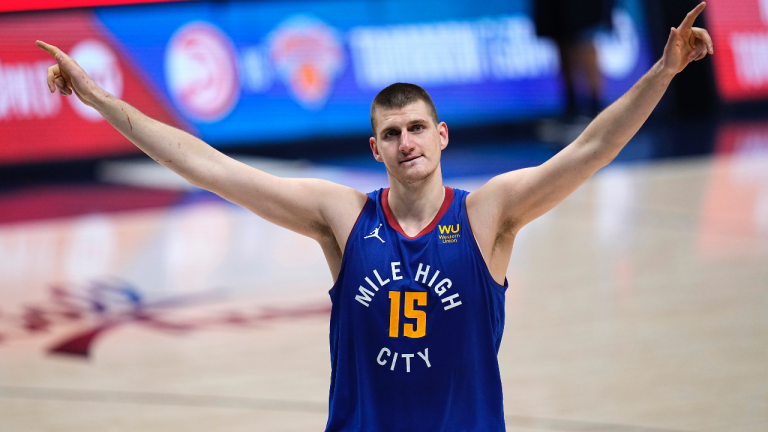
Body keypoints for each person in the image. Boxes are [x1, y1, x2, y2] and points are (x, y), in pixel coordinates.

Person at [35, 3, 713, 430]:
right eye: (391, 134)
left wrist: (661, 71)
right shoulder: (343, 216)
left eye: (417, 128)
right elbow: (206, 164)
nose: (406, 142)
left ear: (442, 135)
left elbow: (592, 148)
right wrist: (96, 95)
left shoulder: (487, 214)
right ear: (375, 148)